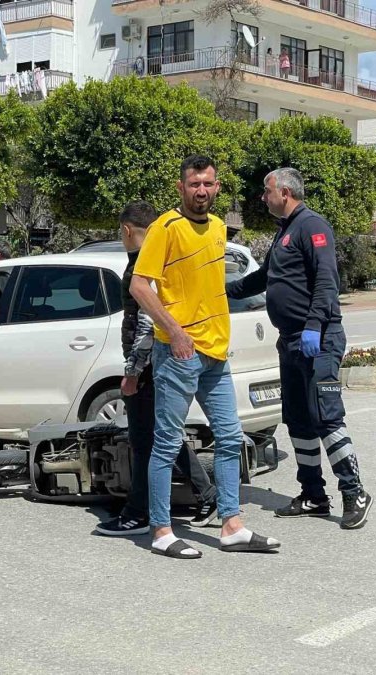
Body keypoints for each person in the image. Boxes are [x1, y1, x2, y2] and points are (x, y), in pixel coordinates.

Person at [130, 155, 281, 559]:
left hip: (216, 352)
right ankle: (161, 531)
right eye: (194, 184)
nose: (201, 191)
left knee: (231, 438)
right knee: (166, 443)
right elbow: (140, 286)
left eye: (208, 184)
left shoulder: (217, 227)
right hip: (180, 352)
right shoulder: (166, 227)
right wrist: (175, 332)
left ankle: (231, 526)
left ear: (217, 187)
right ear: (181, 188)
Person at [227, 168, 372, 530]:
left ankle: (355, 493)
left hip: (317, 340)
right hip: (290, 340)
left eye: (267, 191)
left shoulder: (312, 226)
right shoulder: (285, 231)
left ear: (286, 192)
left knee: (326, 417)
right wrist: (222, 291)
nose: (263, 197)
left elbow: (326, 280)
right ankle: (313, 495)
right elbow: (264, 279)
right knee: (298, 419)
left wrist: (313, 327)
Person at [96, 201, 219, 536]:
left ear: (126, 230)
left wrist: (133, 371)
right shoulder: (162, 258)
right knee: (161, 436)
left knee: (143, 440)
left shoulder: (142, 266)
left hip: (150, 364)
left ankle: (139, 513)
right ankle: (206, 496)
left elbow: (145, 324)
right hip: (160, 360)